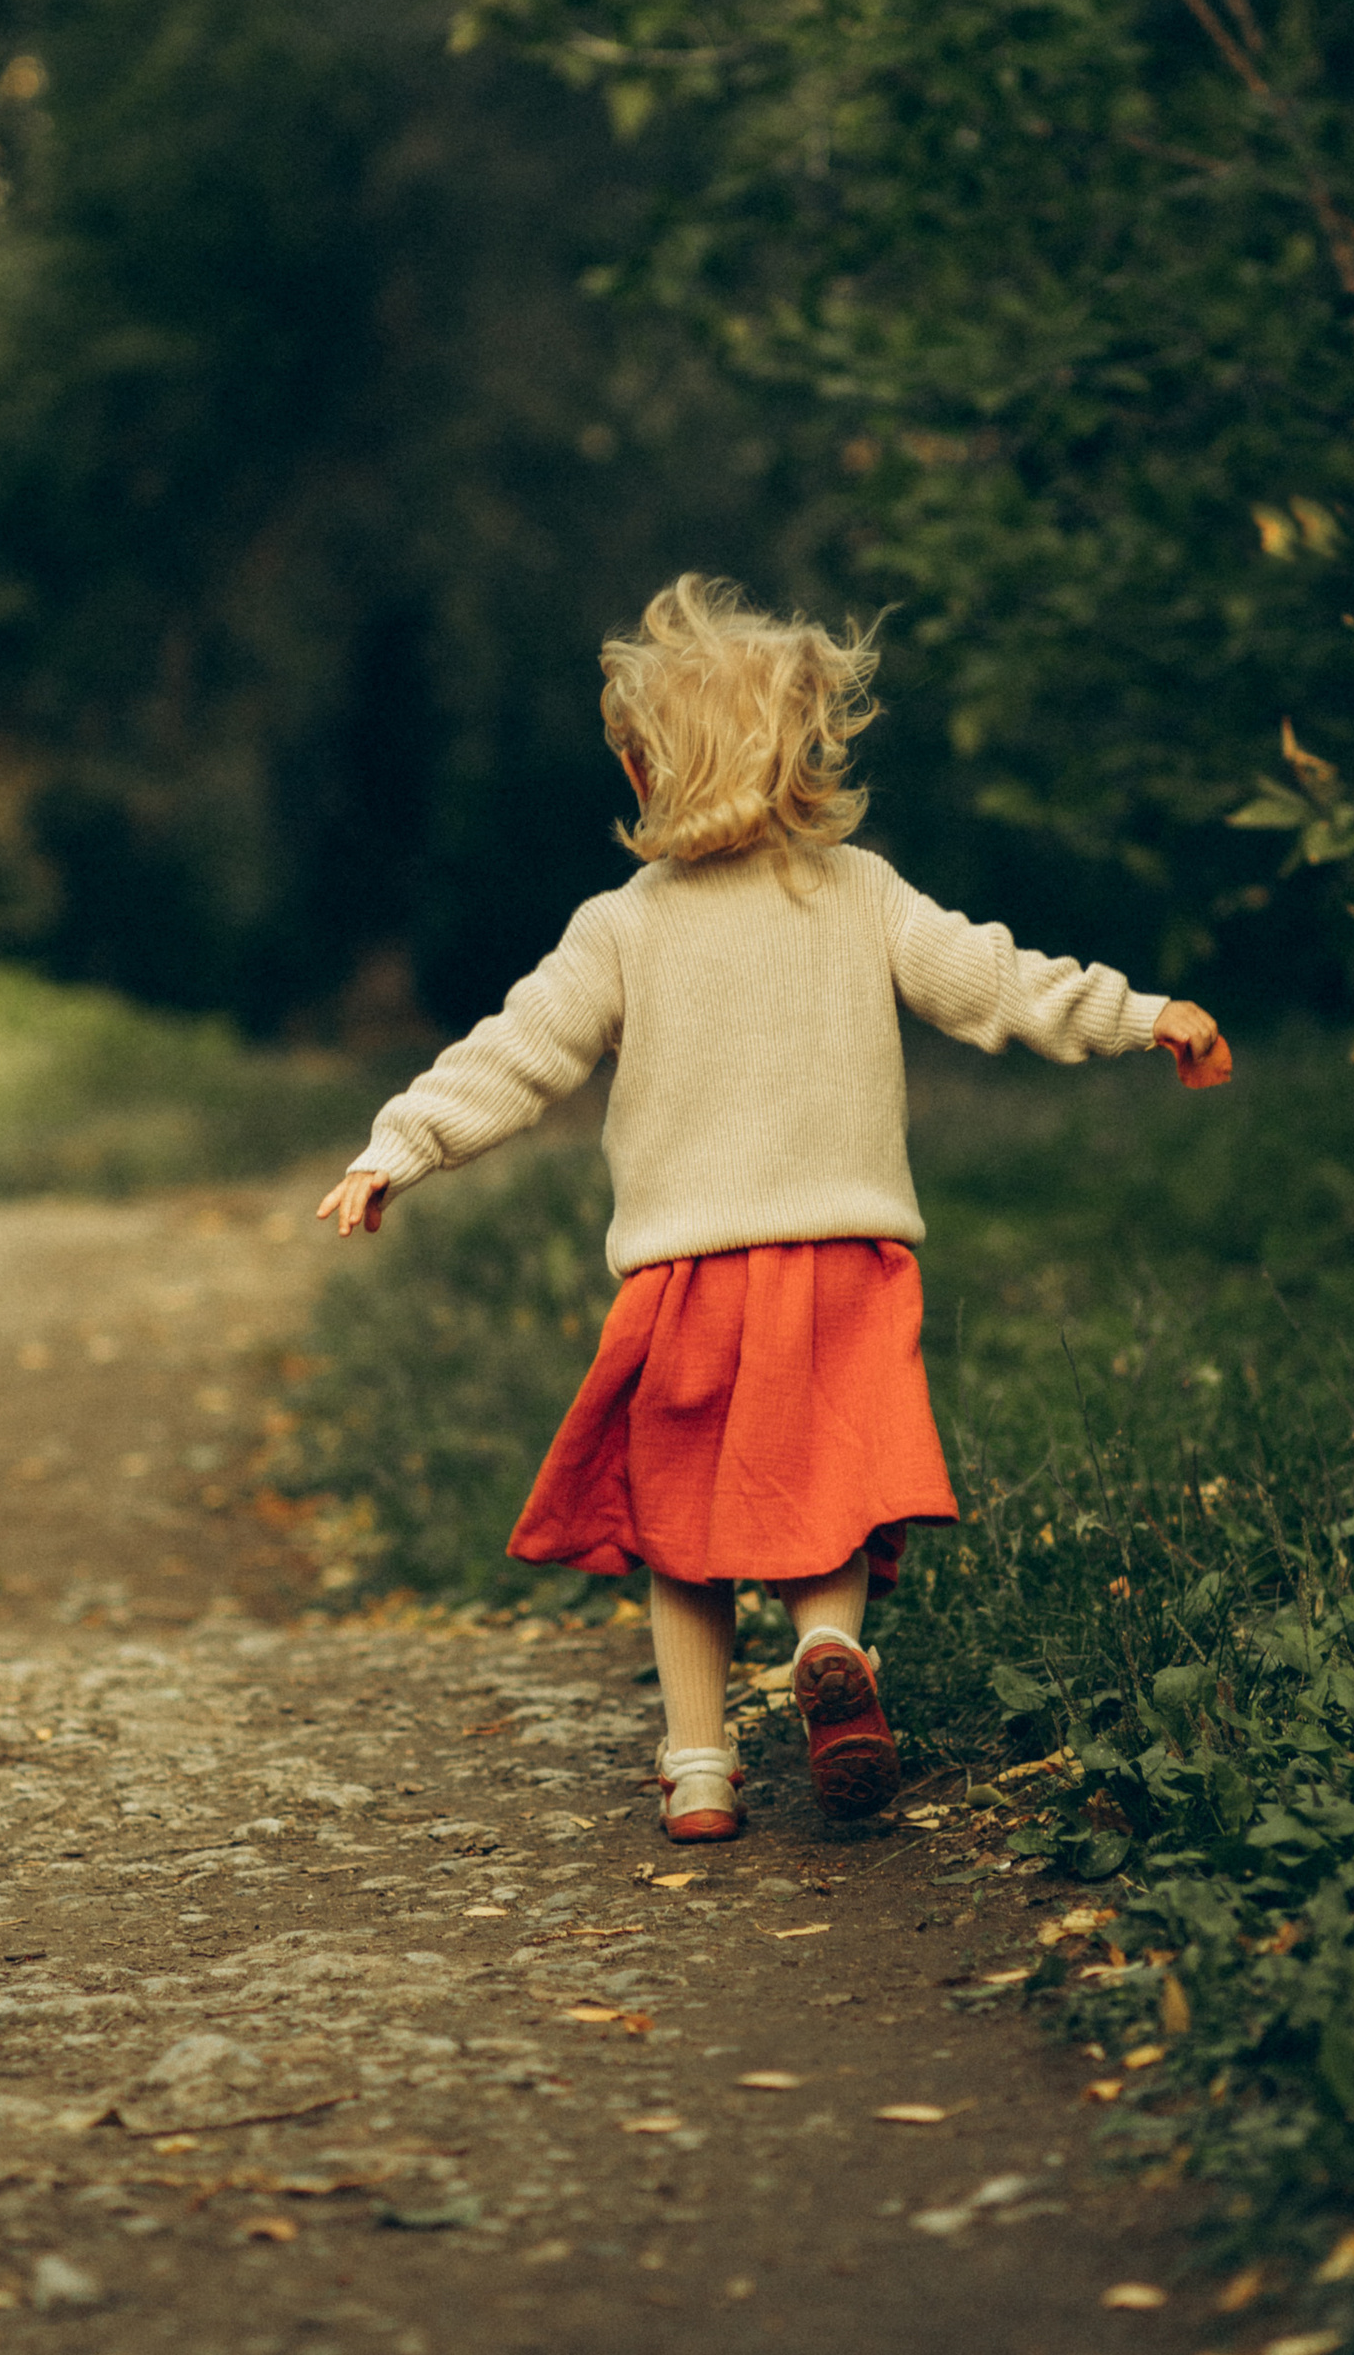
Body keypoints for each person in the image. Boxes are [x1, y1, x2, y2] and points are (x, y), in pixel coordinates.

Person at [318, 575, 1231, 1842]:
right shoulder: (860, 892)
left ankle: (699, 1767)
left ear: (645, 770)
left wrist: (398, 1148)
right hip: (846, 1263)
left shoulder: (620, 928)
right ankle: (825, 1647)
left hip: (687, 1278)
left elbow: (516, 1054)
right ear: (803, 756)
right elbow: (997, 981)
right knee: (831, 1489)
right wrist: (1137, 1014)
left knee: (679, 1530)